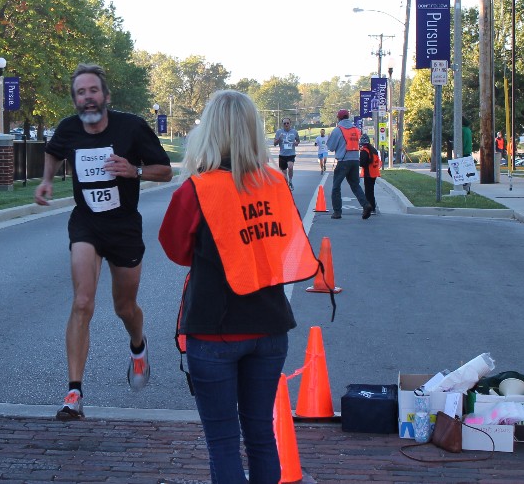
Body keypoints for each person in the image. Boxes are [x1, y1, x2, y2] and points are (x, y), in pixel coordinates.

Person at [158, 90, 319, 484]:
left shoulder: (197, 189)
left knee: (224, 442)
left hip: (214, 328)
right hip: (270, 325)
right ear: (254, 131)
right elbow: (284, 246)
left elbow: (176, 250)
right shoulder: (276, 184)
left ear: (209, 131)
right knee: (262, 434)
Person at [34, 64, 173, 420]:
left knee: (125, 308)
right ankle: (74, 393)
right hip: (87, 224)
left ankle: (138, 347)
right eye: (80, 92)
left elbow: (165, 169)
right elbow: (53, 150)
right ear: (75, 100)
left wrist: (135, 170)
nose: (87, 97)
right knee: (82, 302)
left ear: (106, 96)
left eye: (93, 90)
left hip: (124, 226)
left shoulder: (132, 127)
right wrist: (47, 180)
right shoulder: (68, 128)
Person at [326, 109, 372, 219]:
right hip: (355, 160)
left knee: (336, 187)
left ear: (339, 118)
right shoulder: (356, 130)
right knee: (355, 185)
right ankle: (366, 205)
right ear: (348, 117)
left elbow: (331, 147)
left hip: (343, 161)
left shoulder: (337, 130)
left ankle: (337, 212)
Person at [272, 117, 300, 188]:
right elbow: (274, 143)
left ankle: (290, 180)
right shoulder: (279, 132)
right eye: (285, 123)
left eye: (288, 123)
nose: (286, 124)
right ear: (282, 124)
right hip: (282, 155)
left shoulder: (294, 132)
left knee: (290, 167)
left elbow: (298, 141)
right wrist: (279, 139)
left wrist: (296, 143)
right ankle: (287, 185)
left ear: (290, 124)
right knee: (284, 173)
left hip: (291, 154)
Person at [359, 133, 382, 215]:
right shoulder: (373, 150)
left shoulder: (364, 151)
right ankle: (373, 207)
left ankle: (371, 208)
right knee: (371, 191)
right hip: (374, 173)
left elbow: (362, 163)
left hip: (368, 173)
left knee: (368, 192)